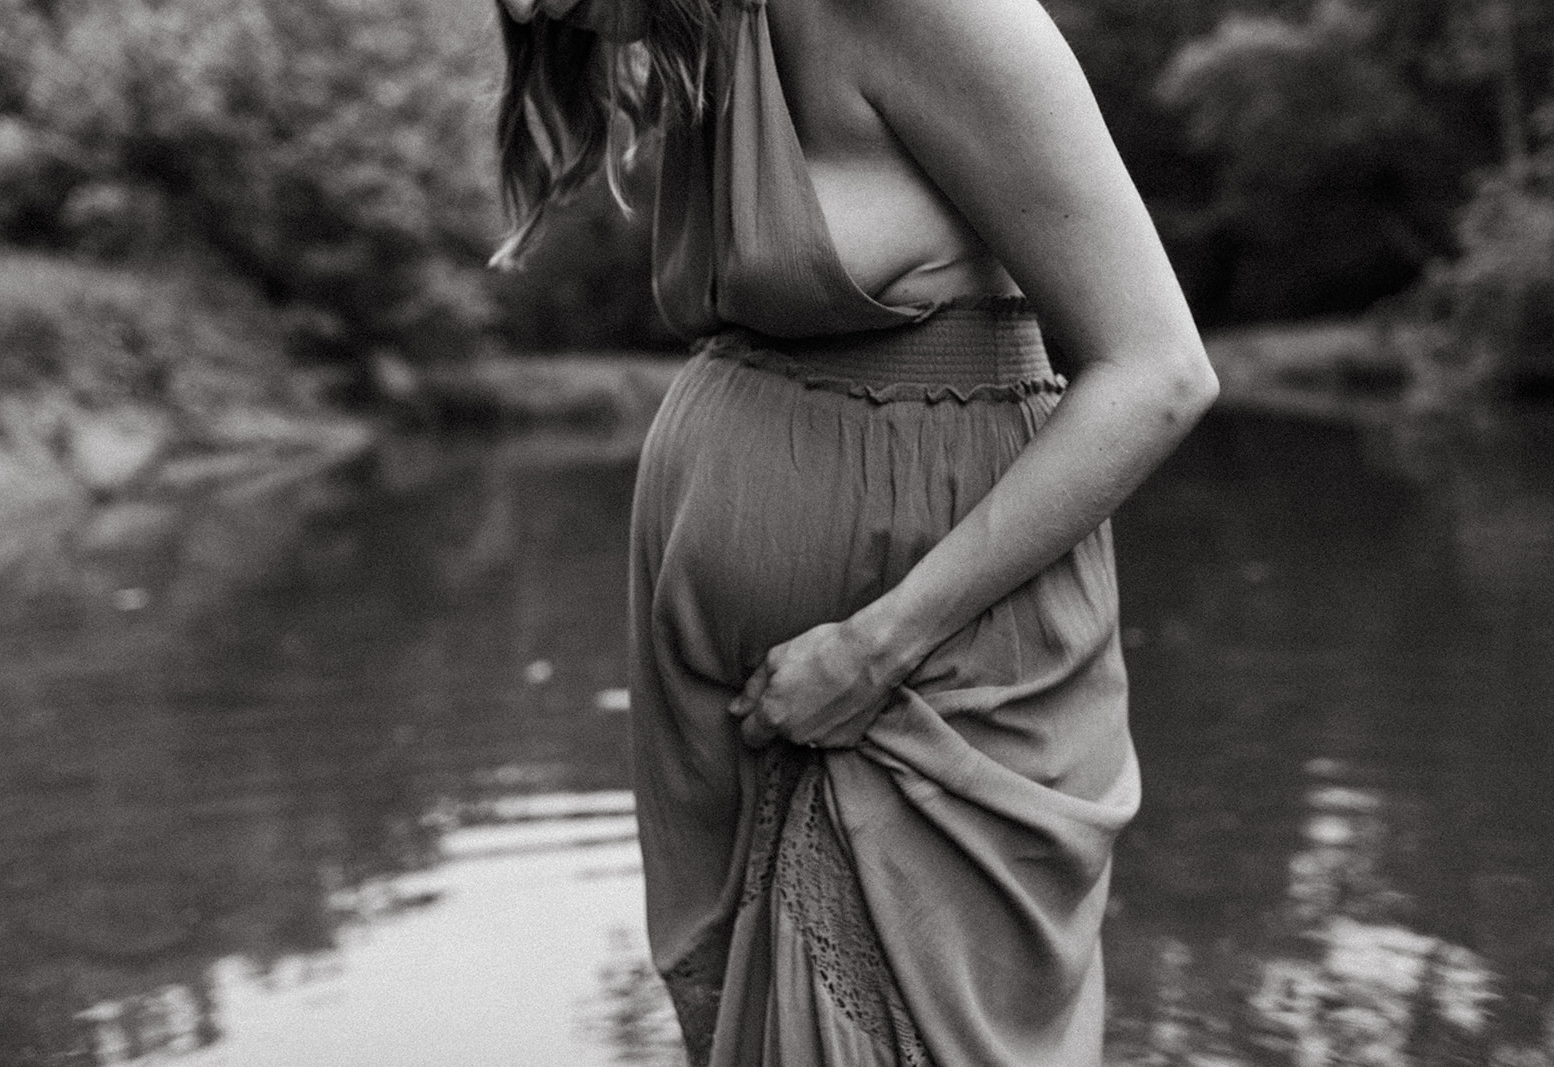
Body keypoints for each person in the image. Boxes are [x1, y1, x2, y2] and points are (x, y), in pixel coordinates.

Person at [492, 0, 1218, 1060]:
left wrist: (874, 647)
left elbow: (1159, 373)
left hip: (917, 677)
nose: (524, 6)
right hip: (743, 705)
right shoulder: (718, 46)